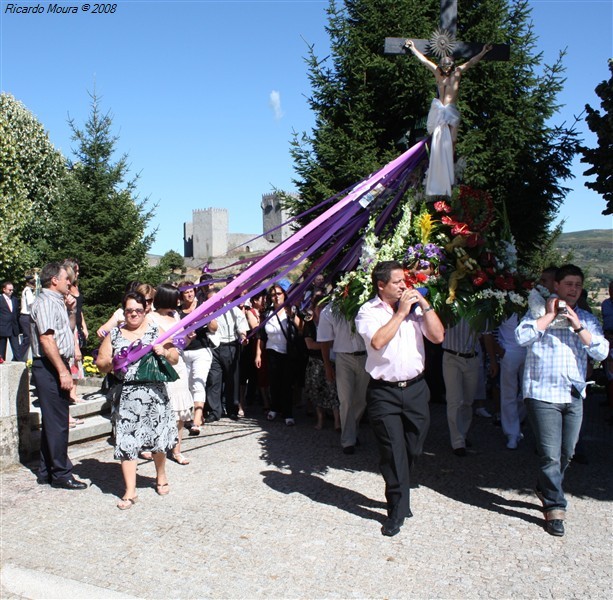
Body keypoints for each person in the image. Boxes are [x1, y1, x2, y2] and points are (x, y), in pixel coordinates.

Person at [515, 264, 609, 537]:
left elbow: (602, 352)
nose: (574, 290)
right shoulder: (535, 313)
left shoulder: (586, 319)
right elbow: (522, 337)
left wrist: (577, 325)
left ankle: (545, 486)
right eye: (568, 284)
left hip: (574, 394)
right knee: (550, 455)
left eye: (578, 285)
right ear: (556, 286)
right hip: (543, 394)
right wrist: (549, 316)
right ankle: (555, 508)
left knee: (567, 452)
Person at [355, 261, 444, 536]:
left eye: (404, 281)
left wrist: (424, 305)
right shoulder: (367, 311)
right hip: (384, 392)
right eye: (397, 282)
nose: (404, 286)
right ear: (381, 285)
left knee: (413, 448)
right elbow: (378, 342)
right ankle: (396, 508)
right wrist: (402, 313)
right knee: (393, 452)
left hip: (416, 389)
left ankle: (401, 492)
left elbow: (438, 336)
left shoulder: (417, 310)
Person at [96, 291, 179, 509]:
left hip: (155, 394)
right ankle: (130, 491)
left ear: (146, 310)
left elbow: (175, 358)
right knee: (127, 442)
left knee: (158, 439)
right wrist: (113, 362)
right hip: (128, 396)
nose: (133, 314)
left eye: (138, 310)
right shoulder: (114, 335)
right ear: (124, 312)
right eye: (129, 310)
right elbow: (101, 363)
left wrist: (164, 352)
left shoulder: (155, 331)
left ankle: (161, 476)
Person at [404, 40, 492, 196]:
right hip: (439, 110)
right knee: (437, 142)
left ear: (452, 65)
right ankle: (436, 171)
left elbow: (471, 62)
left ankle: (449, 171)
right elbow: (425, 61)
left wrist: (483, 52)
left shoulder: (457, 73)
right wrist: (413, 49)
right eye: (444, 65)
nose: (446, 68)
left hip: (450, 110)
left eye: (448, 65)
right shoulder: (438, 73)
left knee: (452, 141)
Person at [30, 263, 87, 489]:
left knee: (53, 421)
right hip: (49, 365)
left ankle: (46, 471)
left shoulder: (57, 302)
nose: (69, 283)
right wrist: (63, 371)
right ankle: (62, 474)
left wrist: (72, 310)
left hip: (56, 363)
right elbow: (46, 340)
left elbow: (67, 329)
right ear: (54, 280)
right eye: (66, 279)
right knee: (58, 423)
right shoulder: (45, 303)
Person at [318, 300, 370, 454]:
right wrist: (327, 366)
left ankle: (352, 430)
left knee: (360, 399)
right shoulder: (329, 310)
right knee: (346, 399)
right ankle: (348, 440)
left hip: (365, 357)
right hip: (343, 358)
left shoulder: (365, 304)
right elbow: (324, 341)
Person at [150, 283, 194, 465]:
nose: (179, 300)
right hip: (160, 366)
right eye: (176, 297)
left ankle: (176, 449)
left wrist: (188, 339)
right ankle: (157, 447)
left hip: (178, 365)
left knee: (180, 410)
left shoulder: (175, 315)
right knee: (161, 409)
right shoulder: (150, 318)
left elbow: (180, 343)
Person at [255, 281, 301, 426]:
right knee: (273, 381)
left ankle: (287, 413)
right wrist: (258, 353)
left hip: (288, 351)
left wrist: (293, 315)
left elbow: (301, 329)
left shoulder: (291, 310)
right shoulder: (267, 313)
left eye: (279, 294)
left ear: (285, 294)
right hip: (272, 350)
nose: (276, 297)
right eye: (273, 295)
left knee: (287, 383)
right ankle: (274, 408)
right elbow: (261, 336)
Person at [178, 281, 218, 435]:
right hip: (184, 352)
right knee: (187, 385)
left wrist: (208, 318)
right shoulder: (178, 312)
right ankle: (194, 416)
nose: (189, 294)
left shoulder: (202, 308)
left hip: (201, 351)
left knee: (198, 383)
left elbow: (214, 328)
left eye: (192, 291)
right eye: (186, 292)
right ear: (181, 294)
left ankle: (196, 420)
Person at [205, 291, 248, 422]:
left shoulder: (234, 310)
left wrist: (243, 337)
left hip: (230, 346)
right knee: (214, 379)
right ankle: (214, 411)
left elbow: (242, 328)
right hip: (213, 346)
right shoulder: (206, 313)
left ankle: (232, 409)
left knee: (232, 379)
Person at [302, 295, 341, 431]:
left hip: (331, 360)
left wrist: (326, 343)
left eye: (325, 306)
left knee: (333, 391)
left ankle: (337, 422)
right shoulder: (309, 323)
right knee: (316, 391)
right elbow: (310, 345)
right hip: (316, 362)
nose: (322, 309)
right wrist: (327, 344)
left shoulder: (332, 321)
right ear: (314, 308)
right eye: (319, 307)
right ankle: (320, 419)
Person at [0, 280, 20, 361]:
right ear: (4, 289)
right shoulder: (0, 299)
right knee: (2, 350)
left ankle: (20, 366)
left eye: (12, 290)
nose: (11, 291)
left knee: (17, 349)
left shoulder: (14, 299)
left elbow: (16, 313)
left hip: (13, 328)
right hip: (3, 328)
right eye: (9, 290)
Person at [18, 274, 36, 361]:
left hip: (26, 317)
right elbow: (31, 304)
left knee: (28, 338)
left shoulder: (27, 290)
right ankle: (18, 357)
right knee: (27, 338)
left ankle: (19, 357)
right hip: (26, 316)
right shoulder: (28, 290)